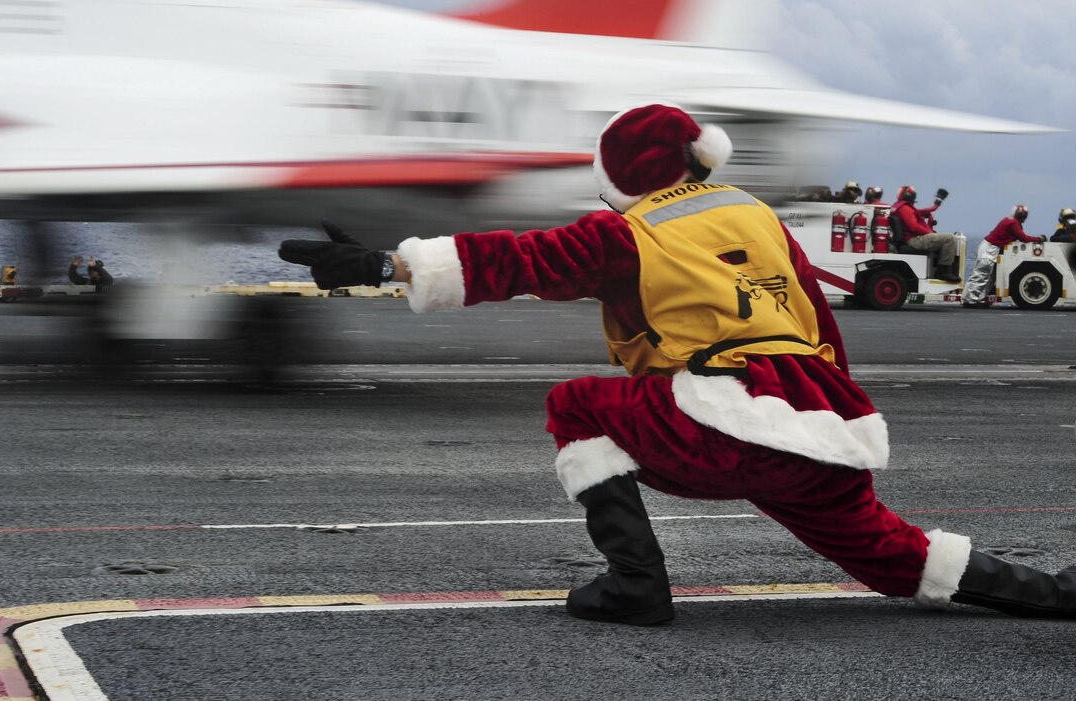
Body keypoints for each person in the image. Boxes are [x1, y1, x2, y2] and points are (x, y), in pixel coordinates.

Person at [280, 103, 1076, 626]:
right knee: (892, 553)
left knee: (578, 405)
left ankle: (635, 583)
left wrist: (386, 265)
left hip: (721, 416)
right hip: (819, 416)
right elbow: (816, 319)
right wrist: (834, 413)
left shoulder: (625, 231)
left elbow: (515, 259)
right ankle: (1059, 594)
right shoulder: (754, 211)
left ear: (616, 174)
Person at [963, 205, 1045, 308]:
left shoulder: (1010, 220)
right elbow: (1023, 238)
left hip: (990, 247)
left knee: (985, 275)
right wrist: (1039, 239)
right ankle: (971, 301)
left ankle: (971, 299)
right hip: (990, 249)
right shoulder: (1013, 223)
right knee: (982, 275)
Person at [889, 185, 961, 282]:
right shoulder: (905, 208)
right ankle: (943, 271)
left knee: (943, 238)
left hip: (910, 239)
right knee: (950, 238)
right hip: (913, 240)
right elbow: (913, 226)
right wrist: (930, 233)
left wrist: (937, 203)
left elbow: (923, 211)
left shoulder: (900, 207)